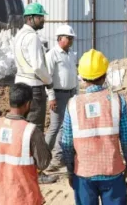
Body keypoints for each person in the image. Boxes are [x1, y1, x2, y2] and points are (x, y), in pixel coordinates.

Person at [60, 49, 127, 205]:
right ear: (105, 75)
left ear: (82, 77)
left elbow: (66, 143)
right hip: (113, 173)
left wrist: (70, 171)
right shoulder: (117, 101)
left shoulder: (73, 105)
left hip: (84, 175)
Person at [0, 83, 52, 205]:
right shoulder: (30, 131)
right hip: (25, 197)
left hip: (0, 196)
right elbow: (43, 163)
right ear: (28, 104)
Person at [13, 3, 53, 136]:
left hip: (20, 86)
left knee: (21, 126)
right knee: (35, 129)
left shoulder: (19, 35)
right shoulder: (33, 37)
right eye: (40, 17)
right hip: (34, 88)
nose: (43, 20)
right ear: (30, 18)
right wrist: (48, 81)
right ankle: (33, 156)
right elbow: (37, 66)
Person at [46, 24, 79, 172]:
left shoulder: (71, 54)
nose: (71, 40)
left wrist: (77, 94)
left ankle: (61, 156)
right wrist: (51, 97)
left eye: (72, 38)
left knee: (67, 126)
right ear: (59, 38)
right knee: (55, 126)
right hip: (58, 95)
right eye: (68, 37)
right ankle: (45, 157)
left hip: (71, 94)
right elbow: (48, 77)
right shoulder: (52, 54)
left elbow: (74, 76)